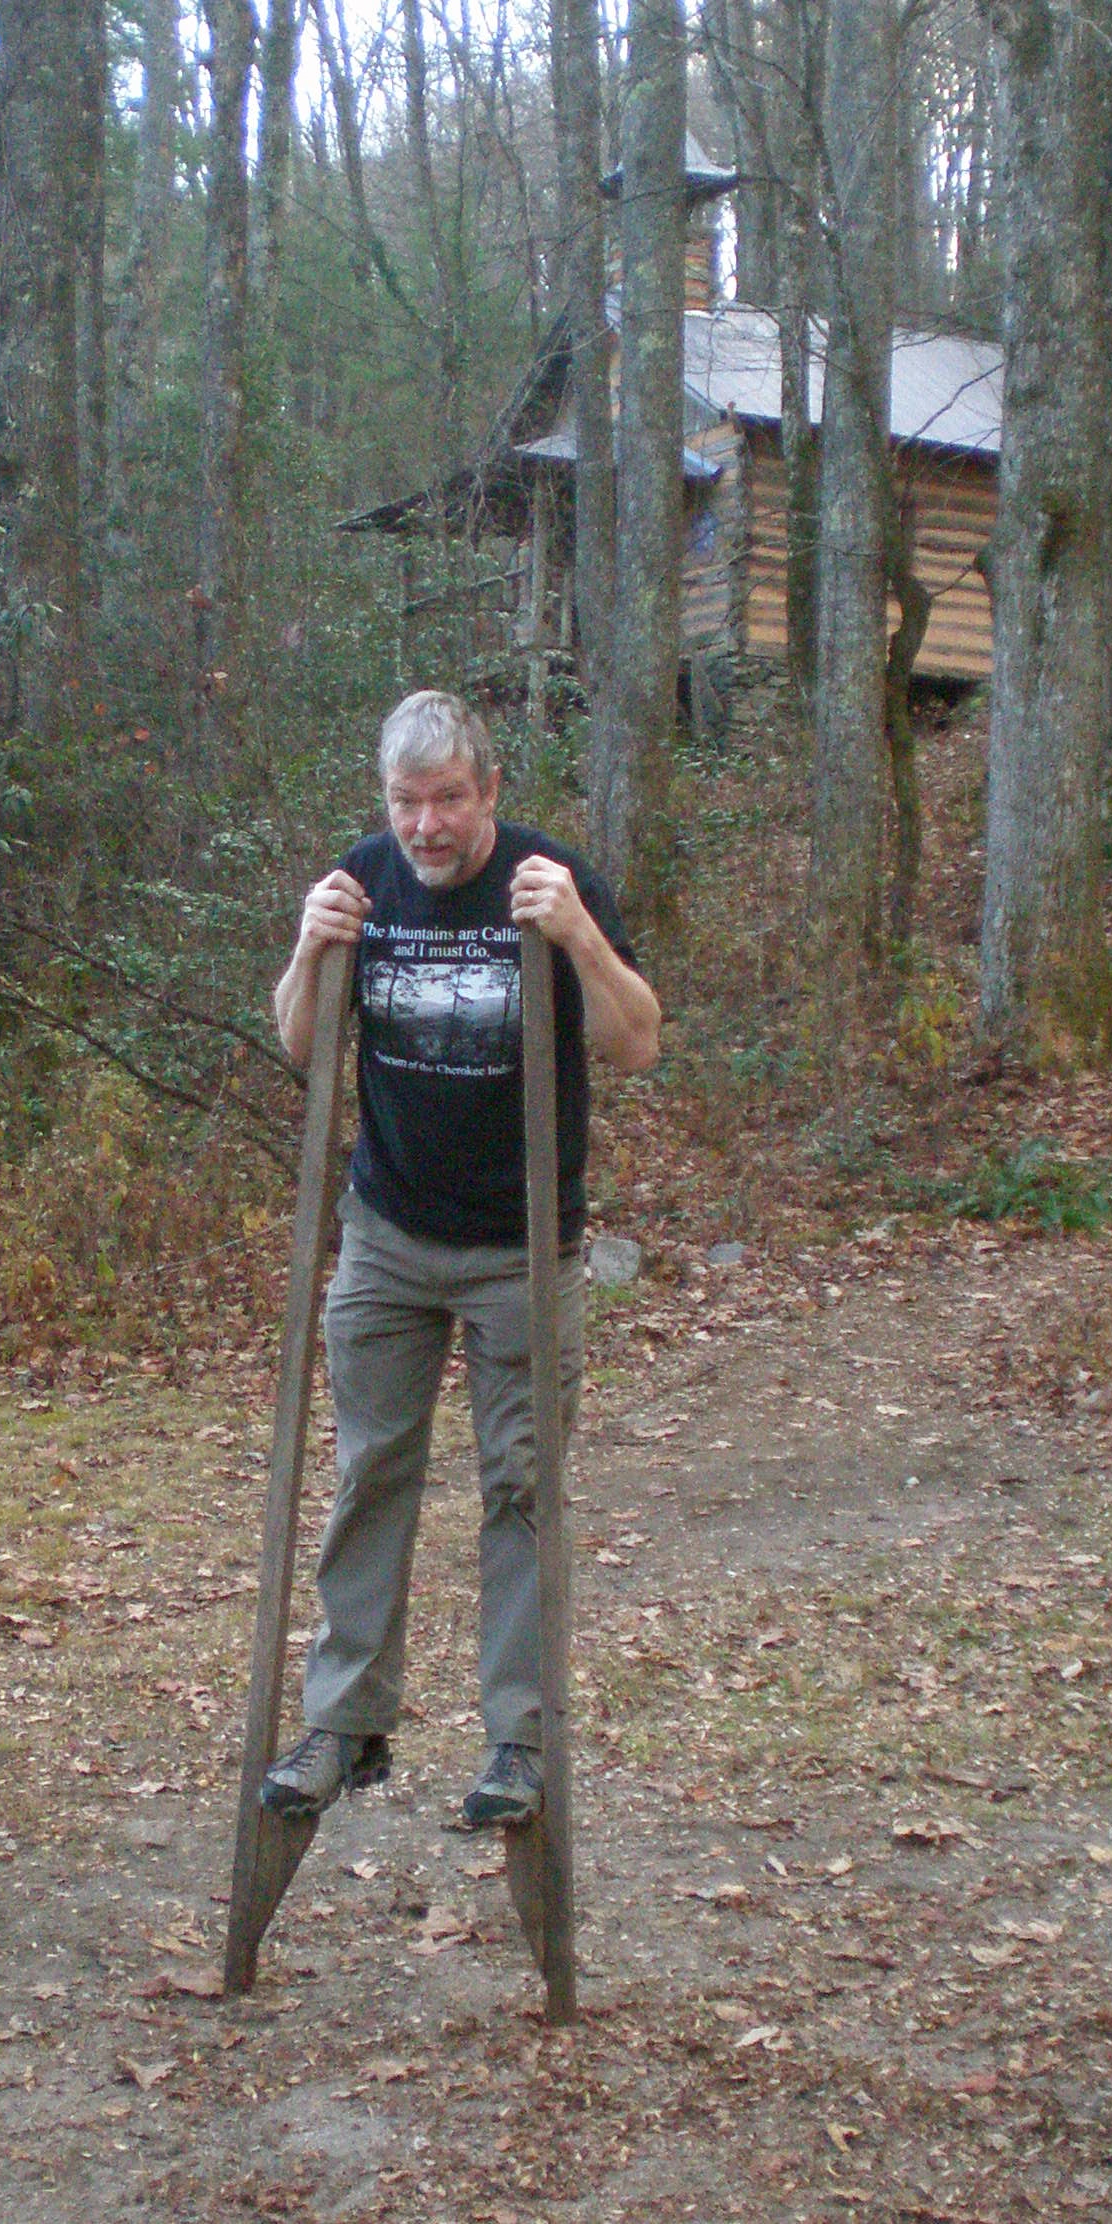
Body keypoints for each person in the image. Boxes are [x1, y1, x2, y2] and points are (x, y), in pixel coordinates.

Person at [264, 690, 660, 1829]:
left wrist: (578, 935)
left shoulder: (550, 880)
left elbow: (636, 1043)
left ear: (489, 792)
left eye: (447, 800)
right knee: (369, 1472)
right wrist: (310, 946)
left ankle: (520, 1741)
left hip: (521, 1247)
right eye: (406, 802)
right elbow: (301, 1046)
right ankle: (345, 1722)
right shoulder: (363, 881)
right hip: (387, 1238)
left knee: (523, 1488)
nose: (425, 826)